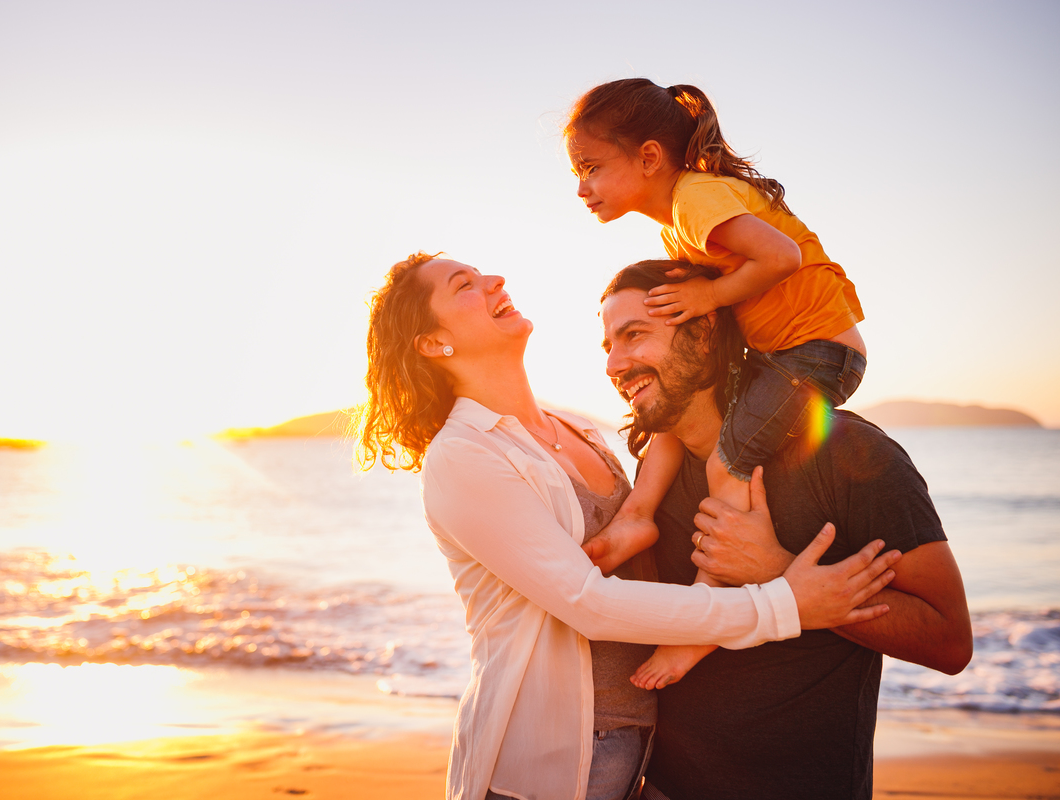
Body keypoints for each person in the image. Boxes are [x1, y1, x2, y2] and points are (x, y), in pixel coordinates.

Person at [357, 252, 901, 800]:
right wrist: (786, 603)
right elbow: (591, 604)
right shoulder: (463, 454)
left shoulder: (577, 430)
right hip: (546, 759)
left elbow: (677, 427)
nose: (494, 279)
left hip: (637, 746)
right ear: (431, 343)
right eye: (464, 285)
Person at [599, 260, 972, 800]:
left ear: (704, 332)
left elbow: (949, 640)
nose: (615, 363)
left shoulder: (846, 452)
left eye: (634, 335)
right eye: (607, 345)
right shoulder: (654, 478)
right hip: (659, 787)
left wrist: (775, 572)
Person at [564, 77, 866, 570]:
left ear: (648, 157)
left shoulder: (695, 200)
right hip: (779, 355)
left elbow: (781, 257)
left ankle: (712, 595)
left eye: (592, 168)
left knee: (728, 464)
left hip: (818, 352)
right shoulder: (678, 224)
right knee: (677, 412)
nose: (581, 188)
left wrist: (707, 292)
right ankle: (639, 515)